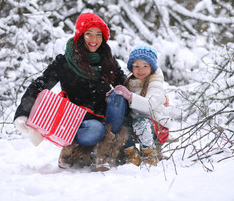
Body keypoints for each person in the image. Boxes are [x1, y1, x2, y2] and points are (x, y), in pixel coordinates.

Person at [14, 12, 128, 171]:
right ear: (81, 36)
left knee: (119, 95)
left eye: (98, 35)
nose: (94, 40)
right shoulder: (65, 61)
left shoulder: (107, 60)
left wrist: (150, 92)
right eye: (89, 34)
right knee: (96, 129)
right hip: (75, 122)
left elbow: (126, 85)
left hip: (105, 117)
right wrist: (22, 112)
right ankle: (73, 149)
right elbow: (40, 84)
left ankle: (105, 152)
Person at [108, 46, 169, 166]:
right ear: (131, 67)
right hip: (137, 124)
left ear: (152, 68)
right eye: (136, 66)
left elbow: (149, 105)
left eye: (145, 66)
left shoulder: (155, 83)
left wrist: (129, 96)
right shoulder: (130, 82)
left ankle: (149, 152)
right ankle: (131, 153)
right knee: (122, 122)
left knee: (141, 121)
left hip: (157, 127)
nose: (140, 70)